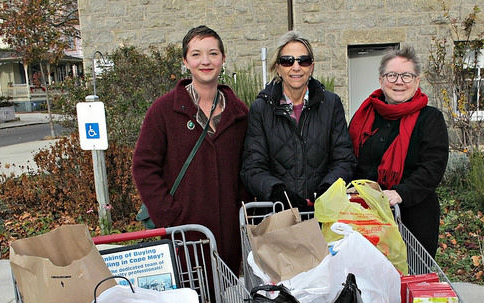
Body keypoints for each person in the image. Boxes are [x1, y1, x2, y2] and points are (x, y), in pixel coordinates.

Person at [132, 25, 249, 275]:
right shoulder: (163, 111)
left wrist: (242, 213)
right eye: (196, 54)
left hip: (229, 239)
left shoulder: (240, 115)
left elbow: (247, 169)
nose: (205, 61)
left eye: (213, 53)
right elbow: (144, 167)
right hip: (184, 238)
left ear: (223, 58)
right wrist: (169, 215)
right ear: (185, 61)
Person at [349, 46, 449, 258]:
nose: (399, 81)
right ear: (381, 80)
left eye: (406, 75)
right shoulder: (364, 116)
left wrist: (399, 193)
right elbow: (350, 159)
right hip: (366, 217)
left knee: (408, 280)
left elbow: (433, 168)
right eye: (392, 75)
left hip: (413, 220)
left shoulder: (430, 119)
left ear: (417, 81)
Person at [241, 31, 356, 210]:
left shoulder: (331, 104)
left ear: (312, 67)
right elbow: (252, 168)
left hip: (323, 214)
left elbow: (344, 160)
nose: (296, 67)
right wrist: (278, 192)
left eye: (303, 61)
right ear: (278, 68)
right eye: (288, 61)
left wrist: (328, 188)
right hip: (278, 216)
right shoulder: (261, 109)